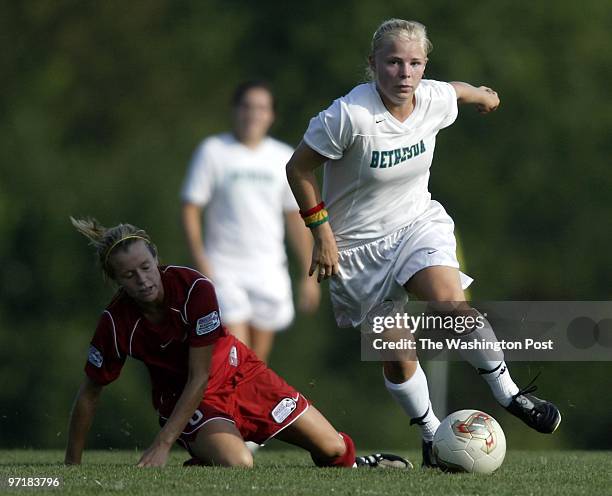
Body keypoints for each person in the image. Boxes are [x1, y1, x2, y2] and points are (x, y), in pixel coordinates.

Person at [285, 19, 561, 467]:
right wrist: (322, 233)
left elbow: (456, 90)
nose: (404, 73)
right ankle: (433, 438)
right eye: (393, 62)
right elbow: (297, 169)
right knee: (396, 351)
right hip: (355, 250)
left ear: (424, 65)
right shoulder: (348, 115)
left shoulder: (431, 97)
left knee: (452, 305)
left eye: (414, 63)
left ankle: (510, 395)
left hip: (416, 225)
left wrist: (484, 95)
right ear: (373, 64)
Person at [64, 217, 410, 469]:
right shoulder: (114, 322)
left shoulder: (194, 289)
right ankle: (208, 457)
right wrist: (72, 466)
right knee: (239, 464)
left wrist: (161, 446)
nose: (142, 279)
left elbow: (201, 373)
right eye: (129, 275)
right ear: (116, 281)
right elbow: (89, 394)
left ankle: (360, 465)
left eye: (145, 267)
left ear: (156, 259)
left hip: (242, 375)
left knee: (335, 450)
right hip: (191, 400)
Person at [181, 81, 319, 364]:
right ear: (235, 111)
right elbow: (191, 207)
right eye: (247, 106)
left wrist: (309, 276)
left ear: (271, 115)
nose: (253, 114)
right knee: (236, 352)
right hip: (224, 268)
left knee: (256, 361)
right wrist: (201, 260)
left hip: (268, 269)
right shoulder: (214, 151)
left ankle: (242, 408)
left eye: (261, 108)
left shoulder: (282, 158)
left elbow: (295, 217)